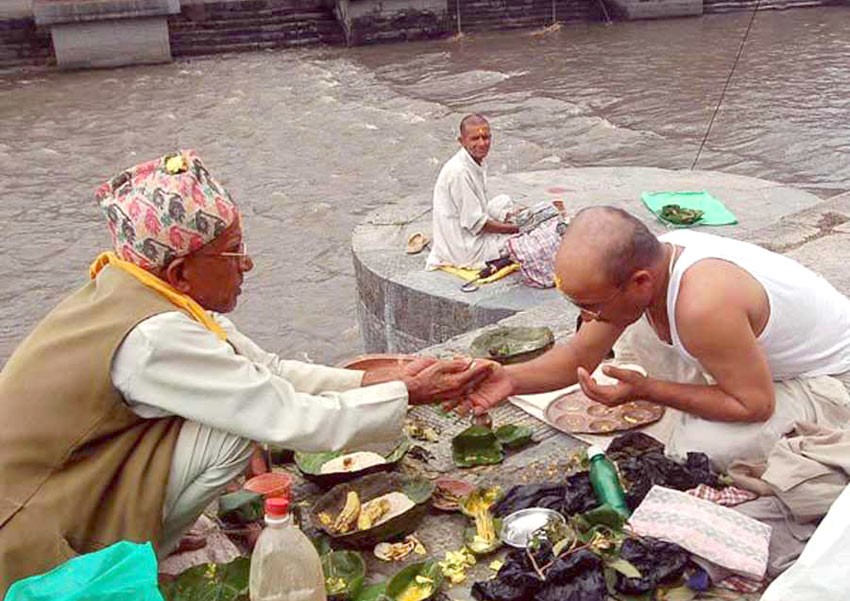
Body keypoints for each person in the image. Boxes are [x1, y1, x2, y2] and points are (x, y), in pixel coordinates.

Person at [0, 150, 493, 594]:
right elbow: (290, 417)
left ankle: (151, 534)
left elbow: (266, 370)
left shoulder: (144, 292)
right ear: (179, 272)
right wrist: (412, 397)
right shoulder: (154, 338)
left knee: (234, 410)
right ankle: (129, 555)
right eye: (233, 252)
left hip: (76, 476)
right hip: (26, 534)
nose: (248, 264)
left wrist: (390, 382)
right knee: (235, 429)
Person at [463, 206, 850, 470]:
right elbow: (579, 355)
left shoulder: (703, 304)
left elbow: (755, 406)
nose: (587, 317)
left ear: (640, 282)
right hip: (751, 357)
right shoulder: (648, 261)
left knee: (698, 450)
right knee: (642, 336)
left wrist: (648, 391)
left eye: (592, 306)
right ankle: (710, 389)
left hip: (830, 377)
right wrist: (510, 379)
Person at [426, 114, 519, 271]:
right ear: (462, 141)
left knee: (504, 201)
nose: (482, 143)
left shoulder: (473, 161)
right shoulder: (460, 172)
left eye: (486, 137)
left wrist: (508, 219)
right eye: (475, 139)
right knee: (522, 239)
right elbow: (478, 223)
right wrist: (515, 228)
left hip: (463, 228)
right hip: (464, 250)